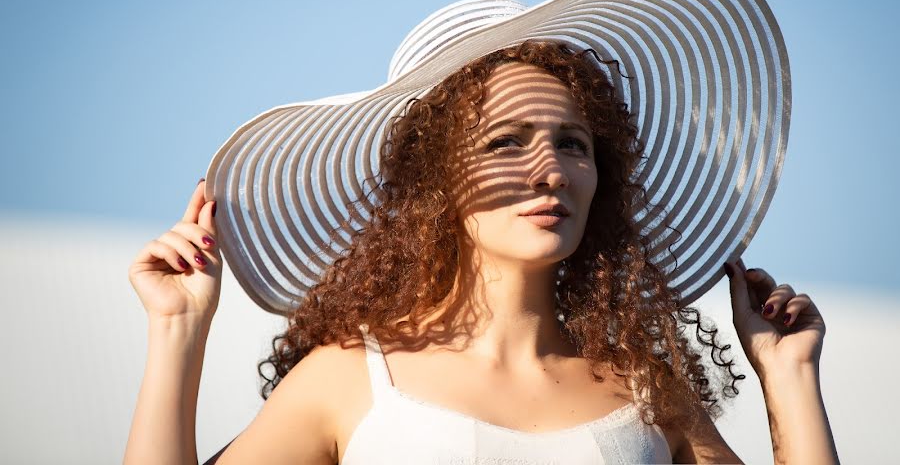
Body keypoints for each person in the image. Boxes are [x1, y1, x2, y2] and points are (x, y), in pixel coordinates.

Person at [124, 40, 839, 464]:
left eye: (573, 144)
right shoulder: (351, 379)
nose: (551, 170)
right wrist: (176, 331)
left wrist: (790, 375)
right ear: (438, 182)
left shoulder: (648, 393)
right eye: (505, 143)